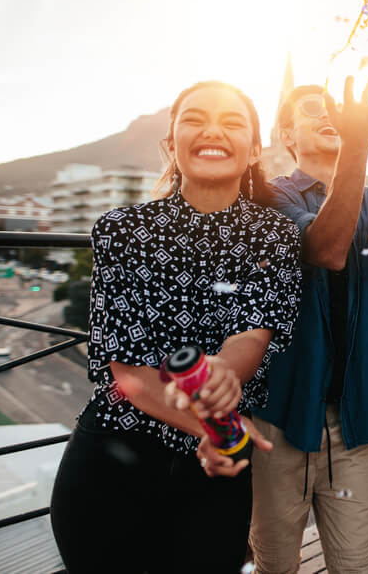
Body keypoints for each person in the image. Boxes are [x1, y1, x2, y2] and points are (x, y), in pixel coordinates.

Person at [50, 80, 302, 573]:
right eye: (194, 118)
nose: (213, 130)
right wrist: (213, 423)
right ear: (171, 142)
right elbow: (128, 375)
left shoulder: (275, 235)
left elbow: (252, 334)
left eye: (232, 122)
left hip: (212, 481)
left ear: (254, 148)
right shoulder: (121, 229)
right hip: (109, 467)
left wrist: (222, 374)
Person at [247, 74, 368, 573]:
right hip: (281, 419)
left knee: (357, 566)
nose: (328, 113)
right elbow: (327, 249)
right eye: (311, 109)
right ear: (286, 137)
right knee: (276, 565)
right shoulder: (268, 197)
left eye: (333, 106)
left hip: (353, 419)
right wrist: (358, 147)